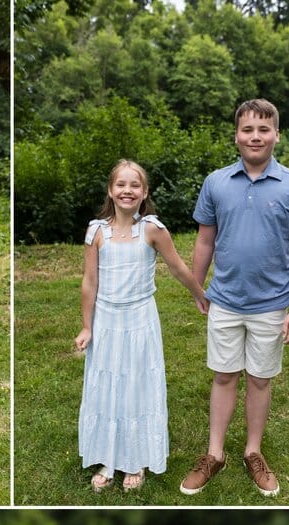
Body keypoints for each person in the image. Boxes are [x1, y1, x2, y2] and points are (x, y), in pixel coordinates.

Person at [182, 98, 289, 497]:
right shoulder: (216, 182)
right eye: (248, 129)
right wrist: (197, 285)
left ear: (276, 134)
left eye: (263, 129)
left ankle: (253, 452)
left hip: (272, 304)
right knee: (224, 375)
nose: (255, 136)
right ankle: (214, 453)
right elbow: (205, 238)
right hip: (225, 300)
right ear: (236, 135)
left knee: (260, 380)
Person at [76, 160, 209, 492]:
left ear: (144, 192)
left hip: (140, 320)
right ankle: (107, 458)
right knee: (108, 387)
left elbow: (177, 267)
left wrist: (199, 294)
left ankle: (135, 461)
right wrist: (86, 327)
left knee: (136, 386)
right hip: (106, 321)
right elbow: (89, 283)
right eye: (120, 184)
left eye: (134, 185)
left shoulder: (152, 229)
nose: (127, 191)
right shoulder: (96, 232)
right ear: (111, 190)